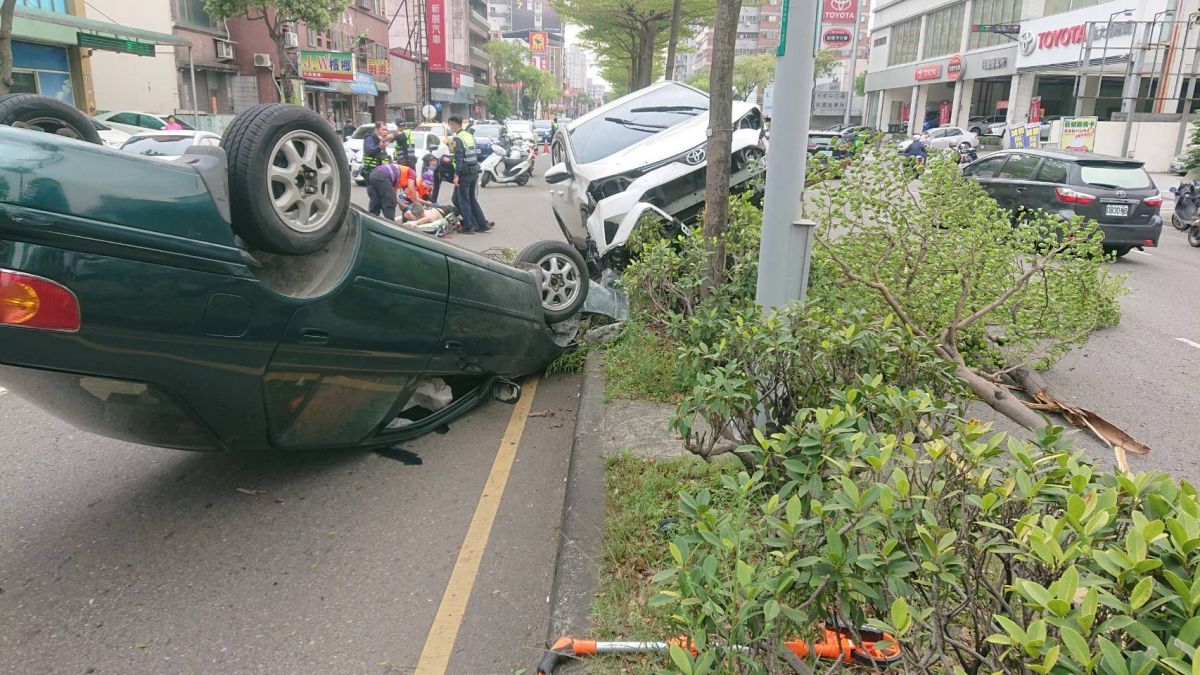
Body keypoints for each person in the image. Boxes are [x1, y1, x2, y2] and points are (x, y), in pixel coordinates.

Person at [447, 116, 491, 234]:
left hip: (464, 174)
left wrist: (456, 175)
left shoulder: (458, 139)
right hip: (474, 172)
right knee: (472, 199)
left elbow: (459, 158)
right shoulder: (469, 136)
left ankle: (468, 226)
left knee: (464, 200)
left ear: (453, 124)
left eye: (450, 124)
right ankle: (482, 224)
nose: (450, 127)